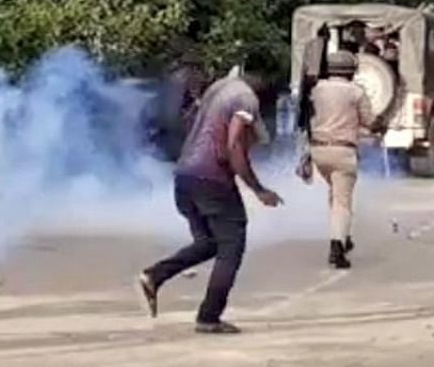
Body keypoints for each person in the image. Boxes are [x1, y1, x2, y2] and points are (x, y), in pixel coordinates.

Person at [138, 73, 284, 335]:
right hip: (212, 181)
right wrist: (258, 189)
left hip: (184, 177)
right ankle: (209, 316)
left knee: (208, 243)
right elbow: (234, 145)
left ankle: (155, 275)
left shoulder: (221, 88)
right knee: (231, 246)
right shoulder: (245, 100)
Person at [307, 52, 375, 269]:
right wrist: (380, 124)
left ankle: (343, 234)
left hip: (318, 150)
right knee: (342, 202)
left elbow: (308, 117)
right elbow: (369, 121)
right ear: (352, 71)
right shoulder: (356, 92)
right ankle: (338, 246)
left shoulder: (317, 90)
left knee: (335, 195)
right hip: (343, 152)